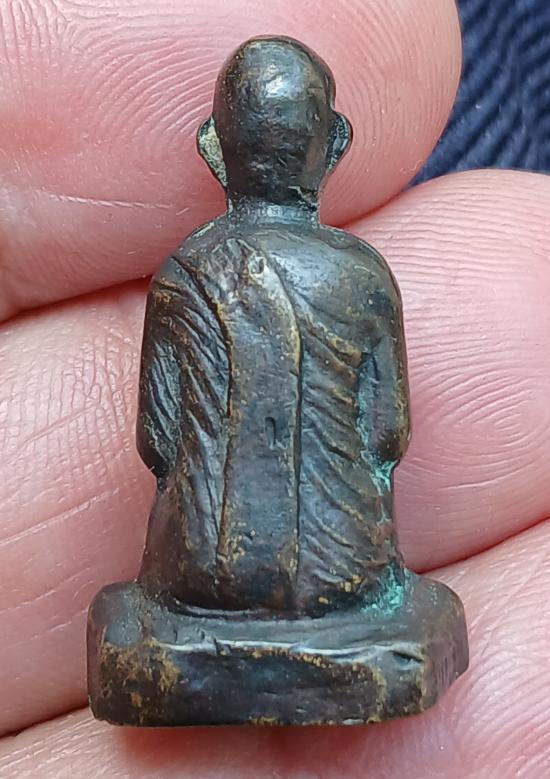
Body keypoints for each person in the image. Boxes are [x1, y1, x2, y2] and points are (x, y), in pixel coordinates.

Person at [0, 0, 548, 776]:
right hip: (343, 580)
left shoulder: (183, 278)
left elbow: (157, 443)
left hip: (195, 583)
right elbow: (387, 434)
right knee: (412, 610)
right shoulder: (359, 277)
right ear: (336, 145)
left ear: (213, 150)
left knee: (129, 614)